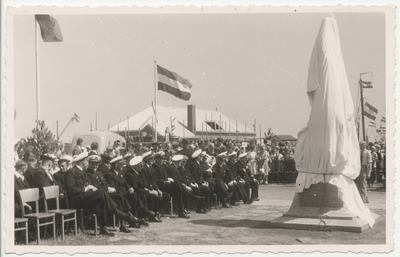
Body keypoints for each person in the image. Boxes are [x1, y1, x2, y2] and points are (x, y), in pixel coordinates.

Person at [64, 152, 137, 236]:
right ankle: (118, 213)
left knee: (101, 200)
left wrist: (89, 187)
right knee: (101, 192)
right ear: (83, 162)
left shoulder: (82, 172)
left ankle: (103, 228)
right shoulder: (71, 172)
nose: (88, 163)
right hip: (76, 200)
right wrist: (85, 189)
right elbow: (70, 190)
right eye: (87, 161)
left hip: (84, 197)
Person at [85, 155, 137, 233]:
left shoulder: (99, 173)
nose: (95, 166)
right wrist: (107, 189)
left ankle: (123, 224)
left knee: (119, 195)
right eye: (92, 164)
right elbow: (94, 187)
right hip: (98, 197)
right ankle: (106, 226)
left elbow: (105, 183)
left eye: (96, 164)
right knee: (107, 200)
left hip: (106, 195)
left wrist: (108, 188)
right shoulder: (86, 174)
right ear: (89, 163)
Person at [152, 151, 190, 218]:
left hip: (166, 186)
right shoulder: (153, 168)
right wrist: (165, 180)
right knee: (177, 184)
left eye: (162, 159)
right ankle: (188, 197)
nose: (162, 160)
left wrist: (168, 179)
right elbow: (155, 180)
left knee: (178, 191)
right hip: (159, 186)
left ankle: (180, 211)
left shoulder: (162, 167)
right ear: (155, 159)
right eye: (160, 159)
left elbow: (166, 176)